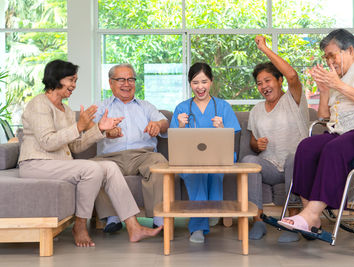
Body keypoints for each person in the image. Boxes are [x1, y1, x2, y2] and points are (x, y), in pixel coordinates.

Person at [18, 59, 162, 247]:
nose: (74, 86)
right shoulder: (39, 104)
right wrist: (79, 126)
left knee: (109, 167)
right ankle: (80, 225)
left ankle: (134, 227)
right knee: (92, 169)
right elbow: (48, 142)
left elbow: (75, 147)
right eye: (71, 80)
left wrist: (100, 129)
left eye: (75, 80)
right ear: (57, 79)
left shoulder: (66, 110)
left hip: (59, 164)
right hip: (36, 164)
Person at [279, 29, 354, 232]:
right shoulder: (336, 80)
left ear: (349, 50)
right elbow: (323, 117)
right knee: (307, 146)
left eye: (331, 55)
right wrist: (326, 91)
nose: (328, 61)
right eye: (326, 57)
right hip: (343, 132)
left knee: (335, 148)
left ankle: (312, 214)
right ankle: (309, 214)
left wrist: (337, 85)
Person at [241, 36, 309, 242]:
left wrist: (264, 48)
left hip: (295, 165)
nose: (264, 86)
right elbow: (253, 142)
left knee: (293, 157)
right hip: (270, 166)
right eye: (259, 83)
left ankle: (292, 222)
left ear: (280, 81)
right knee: (248, 161)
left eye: (268, 80)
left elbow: (293, 75)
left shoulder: (293, 99)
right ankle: (258, 221)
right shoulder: (256, 110)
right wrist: (256, 144)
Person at [92, 63, 168, 233]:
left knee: (160, 163)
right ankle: (113, 216)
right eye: (121, 80)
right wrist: (104, 129)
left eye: (131, 79)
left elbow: (164, 122)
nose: (127, 84)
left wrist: (157, 125)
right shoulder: (102, 107)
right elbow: (89, 127)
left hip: (143, 155)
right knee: (93, 168)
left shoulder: (145, 105)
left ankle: (158, 216)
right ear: (111, 83)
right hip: (110, 156)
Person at [170, 62, 241, 243]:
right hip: (189, 158)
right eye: (195, 82)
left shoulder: (223, 106)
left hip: (218, 155)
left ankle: (212, 209)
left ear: (211, 82)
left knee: (212, 168)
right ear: (190, 84)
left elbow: (233, 139)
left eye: (204, 82)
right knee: (196, 173)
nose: (200, 87)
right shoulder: (181, 108)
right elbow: (175, 143)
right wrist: (180, 126)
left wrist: (223, 127)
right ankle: (199, 226)